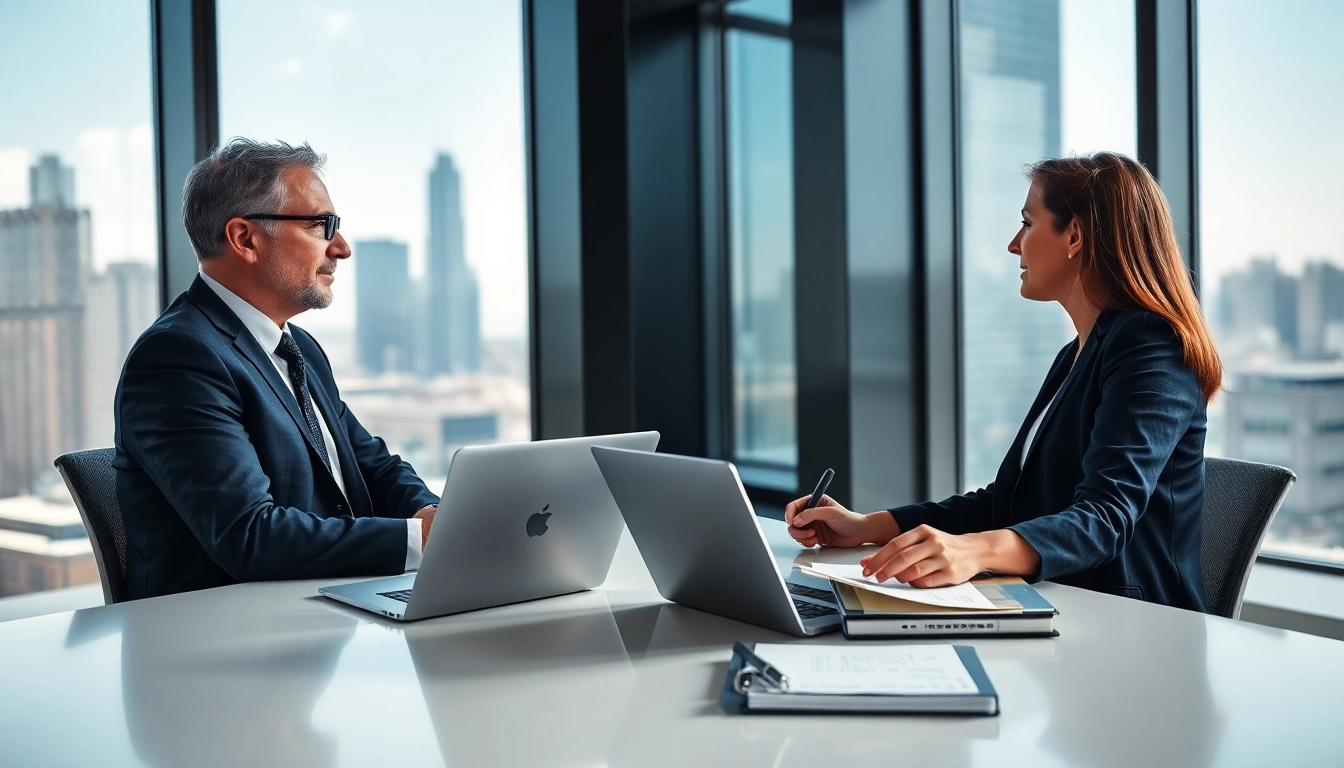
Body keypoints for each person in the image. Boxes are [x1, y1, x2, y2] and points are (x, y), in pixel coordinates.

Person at [786, 152, 1221, 611]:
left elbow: (1105, 518)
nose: (1014, 244)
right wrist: (865, 526)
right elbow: (1008, 501)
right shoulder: (1076, 354)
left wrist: (974, 551)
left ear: (1074, 234)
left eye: (1028, 223)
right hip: (1054, 605)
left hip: (1133, 628)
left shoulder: (1152, 347)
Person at [114, 138, 440, 600]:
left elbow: (374, 466)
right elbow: (249, 535)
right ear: (245, 238)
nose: (342, 248)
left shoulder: (298, 346)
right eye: (321, 226)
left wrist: (442, 519)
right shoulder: (178, 356)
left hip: (326, 609)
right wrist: (418, 539)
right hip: (221, 643)